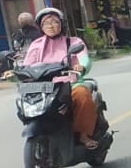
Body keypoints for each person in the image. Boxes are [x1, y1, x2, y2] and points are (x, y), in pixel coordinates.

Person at [19, 8, 103, 148]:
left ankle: (83, 135)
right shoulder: (36, 45)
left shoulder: (74, 42)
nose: (50, 26)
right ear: (41, 27)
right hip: (45, 88)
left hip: (70, 84)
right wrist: (18, 72)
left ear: (61, 24)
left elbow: (84, 59)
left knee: (82, 94)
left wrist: (80, 67)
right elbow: (27, 65)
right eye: (46, 23)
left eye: (54, 22)